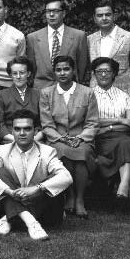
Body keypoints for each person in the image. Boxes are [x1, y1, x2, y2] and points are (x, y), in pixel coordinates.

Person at [0, 109, 73, 241]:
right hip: (11, 199)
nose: (22, 133)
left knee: (54, 177)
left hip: (41, 207)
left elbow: (66, 177)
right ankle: (31, 222)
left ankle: (9, 218)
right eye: (17, 129)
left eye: (27, 129)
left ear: (36, 131)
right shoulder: (2, 150)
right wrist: (10, 192)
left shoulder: (47, 151)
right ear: (12, 131)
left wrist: (37, 188)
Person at [39, 55, 99, 219]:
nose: (62, 73)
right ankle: (70, 195)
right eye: (58, 70)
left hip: (82, 139)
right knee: (63, 153)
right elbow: (47, 124)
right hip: (57, 139)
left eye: (66, 69)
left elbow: (92, 122)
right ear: (54, 73)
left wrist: (80, 138)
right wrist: (60, 138)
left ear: (73, 71)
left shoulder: (87, 92)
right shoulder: (46, 93)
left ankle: (79, 199)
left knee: (81, 154)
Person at [91, 57, 130, 219]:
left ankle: (123, 187)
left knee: (126, 142)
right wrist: (118, 120)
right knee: (126, 143)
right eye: (99, 71)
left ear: (114, 73)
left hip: (120, 138)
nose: (103, 74)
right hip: (99, 140)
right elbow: (92, 122)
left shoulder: (123, 96)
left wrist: (109, 126)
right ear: (94, 74)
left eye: (107, 71)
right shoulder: (89, 95)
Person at [27, 0, 89, 90]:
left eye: (55, 11)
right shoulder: (33, 38)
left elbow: (81, 68)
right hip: (41, 91)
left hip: (70, 90)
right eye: (48, 11)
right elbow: (32, 69)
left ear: (63, 13)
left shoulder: (79, 36)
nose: (51, 14)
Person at [88, 3, 130, 101]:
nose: (104, 18)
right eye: (100, 15)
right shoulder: (89, 40)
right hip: (95, 98)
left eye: (108, 14)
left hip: (123, 98)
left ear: (114, 16)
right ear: (94, 18)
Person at [0, 56, 43, 143]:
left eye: (22, 72)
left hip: (35, 139)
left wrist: (36, 138)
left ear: (28, 74)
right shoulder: (2, 95)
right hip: (10, 139)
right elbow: (0, 124)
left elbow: (44, 122)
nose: (18, 76)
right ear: (10, 75)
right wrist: (14, 139)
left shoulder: (38, 94)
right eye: (14, 73)